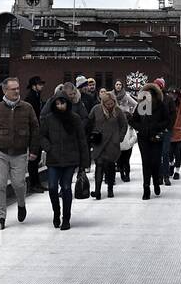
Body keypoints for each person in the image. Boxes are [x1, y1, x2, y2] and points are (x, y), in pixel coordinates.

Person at [0, 76, 40, 230]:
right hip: (0, 152)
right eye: (13, 89)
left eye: (18, 88)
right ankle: (0, 218)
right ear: (4, 90)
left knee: (19, 184)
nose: (16, 91)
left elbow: (35, 129)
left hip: (20, 153)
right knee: (0, 185)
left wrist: (33, 150)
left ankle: (21, 204)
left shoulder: (27, 108)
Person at [39, 90, 90, 230]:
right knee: (53, 188)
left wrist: (84, 163)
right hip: (53, 159)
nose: (60, 106)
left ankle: (66, 218)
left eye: (62, 103)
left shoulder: (75, 119)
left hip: (70, 159)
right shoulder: (49, 119)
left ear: (67, 103)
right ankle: (56, 212)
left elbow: (82, 140)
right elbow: (41, 136)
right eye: (57, 103)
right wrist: (48, 147)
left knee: (66, 187)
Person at [130, 82, 171, 199]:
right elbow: (134, 120)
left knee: (156, 162)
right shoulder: (142, 105)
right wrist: (142, 128)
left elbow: (167, 120)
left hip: (156, 137)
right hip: (144, 138)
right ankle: (146, 187)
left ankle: (156, 183)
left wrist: (157, 127)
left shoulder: (160, 105)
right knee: (146, 162)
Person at [87, 89, 128, 199]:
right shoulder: (96, 109)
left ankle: (110, 189)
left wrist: (120, 137)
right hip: (99, 142)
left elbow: (124, 125)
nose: (110, 106)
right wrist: (91, 136)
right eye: (107, 104)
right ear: (103, 103)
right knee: (99, 166)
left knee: (110, 167)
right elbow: (89, 122)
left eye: (112, 103)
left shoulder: (118, 111)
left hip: (112, 144)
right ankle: (97, 191)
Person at [23, 76, 45, 190]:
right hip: (33, 131)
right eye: (39, 84)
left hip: (36, 130)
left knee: (36, 158)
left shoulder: (36, 96)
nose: (41, 86)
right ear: (33, 86)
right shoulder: (31, 98)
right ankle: (33, 184)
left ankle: (36, 183)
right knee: (33, 158)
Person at [153, 78, 175, 185]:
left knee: (165, 153)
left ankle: (166, 176)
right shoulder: (151, 99)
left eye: (158, 85)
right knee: (157, 154)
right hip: (155, 130)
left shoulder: (168, 99)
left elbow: (173, 115)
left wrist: (168, 127)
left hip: (166, 130)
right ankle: (159, 176)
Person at [113, 80, 135, 181]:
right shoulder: (111, 95)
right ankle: (121, 171)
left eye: (120, 84)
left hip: (125, 119)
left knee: (126, 159)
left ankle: (126, 174)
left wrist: (130, 112)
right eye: (116, 84)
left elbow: (135, 104)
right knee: (119, 158)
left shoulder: (125, 95)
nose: (118, 86)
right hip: (116, 119)